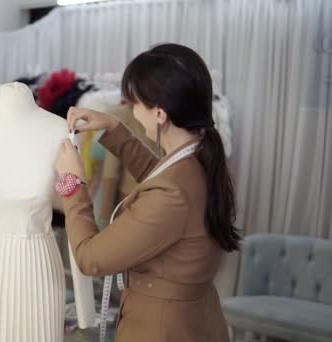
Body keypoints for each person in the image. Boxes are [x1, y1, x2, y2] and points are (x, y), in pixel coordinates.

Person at [55, 43, 240, 341]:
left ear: (159, 114)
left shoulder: (173, 192)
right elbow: (161, 177)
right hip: (192, 320)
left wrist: (72, 183)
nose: (129, 110)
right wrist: (113, 129)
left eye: (133, 103)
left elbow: (90, 258)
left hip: (161, 329)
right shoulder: (198, 156)